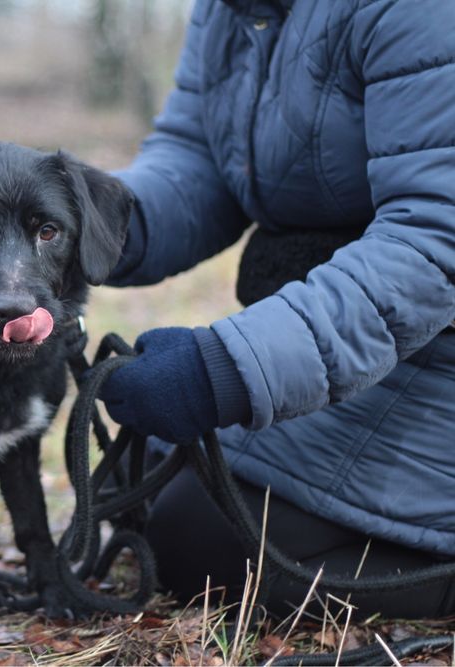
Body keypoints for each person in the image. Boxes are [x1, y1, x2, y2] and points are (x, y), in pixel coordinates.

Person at [97, 0, 455, 619]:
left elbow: (434, 240)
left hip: (433, 336)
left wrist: (222, 370)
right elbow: (198, 158)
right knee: (130, 485)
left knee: (204, 545)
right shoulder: (231, 9)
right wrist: (78, 222)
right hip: (366, 338)